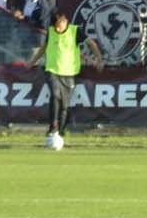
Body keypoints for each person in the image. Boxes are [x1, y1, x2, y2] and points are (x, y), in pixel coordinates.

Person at [28, 9, 103, 150]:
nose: (57, 28)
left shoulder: (75, 31)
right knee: (55, 94)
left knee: (65, 105)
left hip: (69, 72)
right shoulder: (51, 31)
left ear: (64, 21)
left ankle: (60, 133)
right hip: (52, 70)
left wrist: (98, 59)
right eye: (54, 26)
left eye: (59, 25)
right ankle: (52, 127)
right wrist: (33, 61)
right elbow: (44, 48)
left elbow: (91, 44)